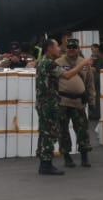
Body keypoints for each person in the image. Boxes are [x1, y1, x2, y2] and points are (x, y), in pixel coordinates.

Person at [34, 38, 88, 176]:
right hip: (49, 104)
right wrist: (83, 64)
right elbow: (67, 75)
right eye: (57, 46)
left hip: (44, 103)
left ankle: (44, 162)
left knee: (45, 132)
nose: (59, 49)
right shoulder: (49, 63)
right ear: (49, 48)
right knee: (48, 133)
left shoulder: (42, 62)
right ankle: (46, 164)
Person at [55, 38, 96, 168]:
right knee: (63, 130)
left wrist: (92, 101)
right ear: (65, 49)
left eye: (74, 47)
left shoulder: (84, 63)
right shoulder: (58, 62)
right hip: (63, 101)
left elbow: (90, 83)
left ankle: (84, 155)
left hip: (79, 102)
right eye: (69, 47)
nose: (71, 50)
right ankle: (67, 156)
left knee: (82, 129)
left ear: (78, 48)